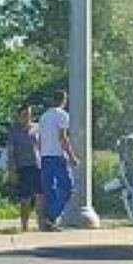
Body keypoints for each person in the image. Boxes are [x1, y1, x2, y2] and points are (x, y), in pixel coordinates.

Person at [38, 90, 78, 230]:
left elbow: (40, 140)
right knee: (68, 188)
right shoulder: (62, 115)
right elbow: (63, 137)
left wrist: (41, 155)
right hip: (58, 156)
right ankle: (51, 217)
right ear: (64, 100)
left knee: (50, 190)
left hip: (45, 156)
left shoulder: (43, 117)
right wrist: (72, 156)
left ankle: (50, 220)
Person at [6, 105, 44, 231]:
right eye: (24, 114)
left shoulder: (37, 128)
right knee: (25, 198)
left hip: (38, 166)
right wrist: (11, 170)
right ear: (19, 116)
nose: (27, 117)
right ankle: (24, 225)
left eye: (29, 114)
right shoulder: (14, 131)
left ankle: (41, 224)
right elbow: (11, 152)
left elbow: (41, 146)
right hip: (23, 167)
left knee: (40, 196)